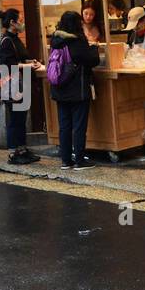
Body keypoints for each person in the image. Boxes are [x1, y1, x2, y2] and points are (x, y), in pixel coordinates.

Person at [49, 10, 101, 170]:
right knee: (79, 125)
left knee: (64, 125)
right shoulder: (77, 41)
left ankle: (66, 160)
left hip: (60, 89)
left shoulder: (55, 39)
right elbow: (92, 60)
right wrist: (94, 49)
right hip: (77, 90)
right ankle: (79, 159)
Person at [0, 8, 44, 165]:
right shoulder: (6, 41)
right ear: (12, 22)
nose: (22, 23)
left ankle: (22, 149)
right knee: (15, 119)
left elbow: (22, 59)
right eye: (21, 20)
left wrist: (32, 62)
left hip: (21, 84)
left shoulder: (16, 39)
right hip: (12, 86)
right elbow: (10, 65)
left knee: (21, 118)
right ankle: (13, 152)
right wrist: (28, 66)